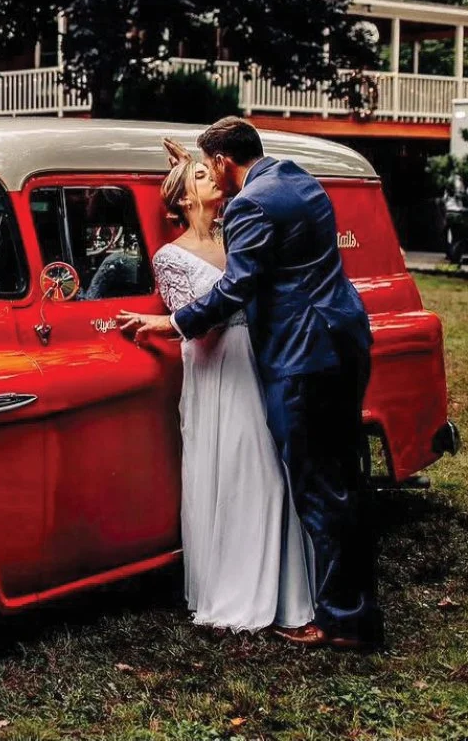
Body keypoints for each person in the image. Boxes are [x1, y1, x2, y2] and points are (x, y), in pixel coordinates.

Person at [118, 116, 382, 650]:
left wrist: (170, 323)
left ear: (221, 162)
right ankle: (350, 607)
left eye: (208, 167)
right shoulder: (298, 178)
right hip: (342, 339)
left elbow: (236, 288)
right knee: (341, 479)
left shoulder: (250, 205)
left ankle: (342, 620)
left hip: (301, 356)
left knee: (316, 487)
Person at [148, 138, 314, 634]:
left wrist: (189, 166)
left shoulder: (237, 230)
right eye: (201, 177)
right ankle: (235, 589)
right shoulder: (169, 257)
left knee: (270, 473)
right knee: (235, 470)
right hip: (219, 367)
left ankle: (279, 589)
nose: (212, 178)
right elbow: (204, 325)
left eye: (211, 170)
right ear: (182, 200)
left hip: (261, 359)